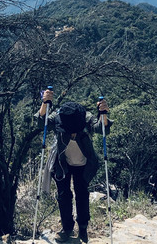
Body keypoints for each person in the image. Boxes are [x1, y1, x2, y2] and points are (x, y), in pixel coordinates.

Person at [38, 88, 111, 243]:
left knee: (82, 194)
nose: (71, 134)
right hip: (62, 163)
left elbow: (101, 128)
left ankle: (83, 227)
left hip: (84, 164)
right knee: (63, 196)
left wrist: (103, 113)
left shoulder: (86, 116)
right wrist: (45, 103)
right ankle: (67, 228)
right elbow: (41, 122)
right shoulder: (58, 116)